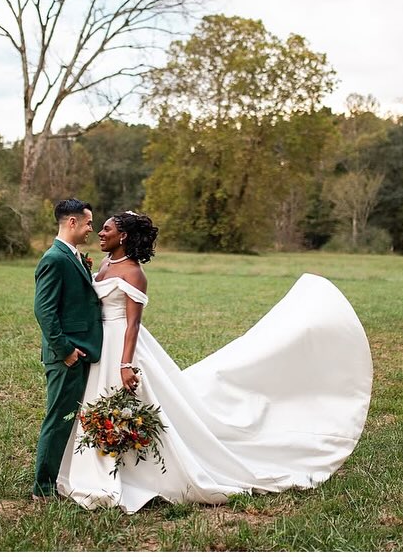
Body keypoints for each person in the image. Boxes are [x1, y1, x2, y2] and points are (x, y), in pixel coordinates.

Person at [56, 211, 373, 513]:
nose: (100, 233)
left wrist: (126, 365)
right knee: (98, 402)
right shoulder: (105, 263)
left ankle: (136, 474)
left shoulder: (134, 274)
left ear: (123, 236)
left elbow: (133, 324)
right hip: (101, 344)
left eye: (107, 229)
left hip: (122, 345)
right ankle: (96, 466)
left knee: (130, 406)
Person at [32, 198, 103, 500]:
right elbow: (44, 311)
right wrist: (66, 351)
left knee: (69, 419)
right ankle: (43, 487)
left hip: (81, 351)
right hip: (66, 357)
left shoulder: (72, 256)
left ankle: (64, 476)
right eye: (88, 223)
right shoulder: (54, 259)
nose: (91, 229)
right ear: (72, 222)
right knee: (58, 419)